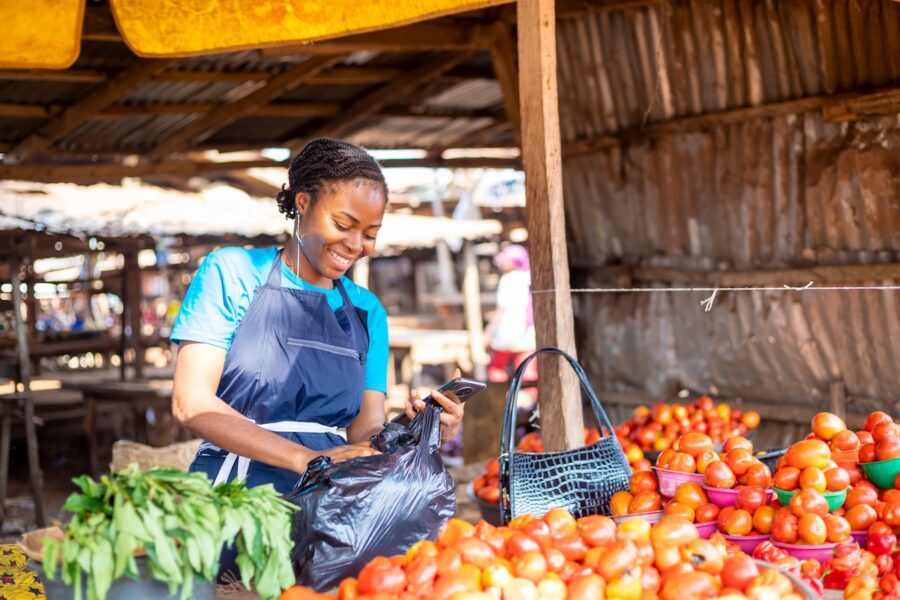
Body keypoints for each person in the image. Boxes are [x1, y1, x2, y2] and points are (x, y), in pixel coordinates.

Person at [171, 138, 464, 495]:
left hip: (330, 499)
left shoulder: (367, 311)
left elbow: (364, 429)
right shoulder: (232, 272)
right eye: (343, 224)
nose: (357, 245)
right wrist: (307, 458)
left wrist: (421, 431)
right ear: (303, 202)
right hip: (234, 495)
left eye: (370, 234)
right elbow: (192, 403)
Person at [484, 244, 538, 390]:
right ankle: (528, 405)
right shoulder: (528, 277)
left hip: (506, 333)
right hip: (527, 335)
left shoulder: (508, 280)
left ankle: (500, 400)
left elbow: (501, 310)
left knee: (497, 370)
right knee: (527, 373)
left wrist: (488, 333)